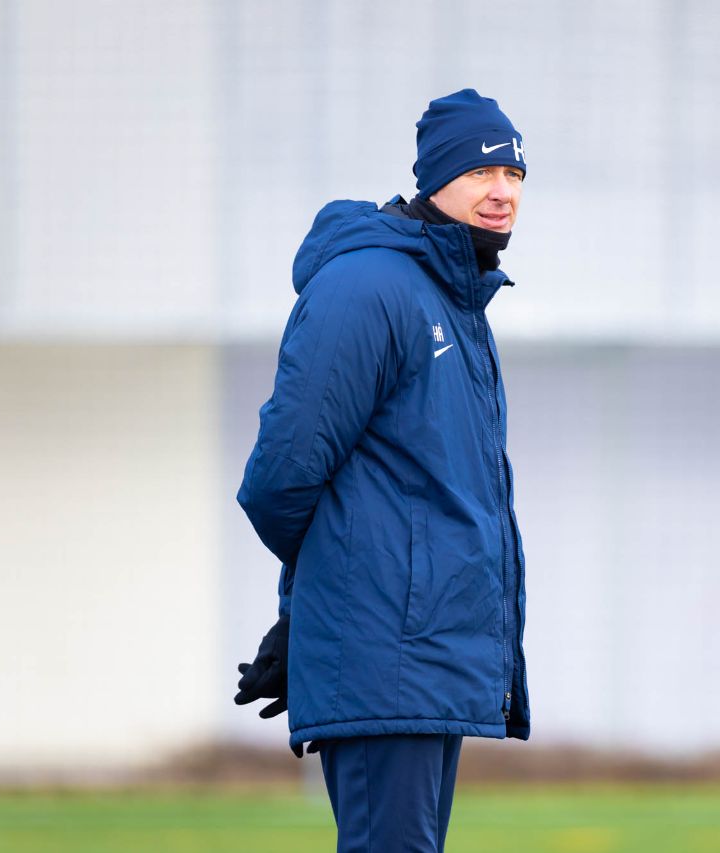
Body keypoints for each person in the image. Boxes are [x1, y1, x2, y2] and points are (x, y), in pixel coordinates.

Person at [232, 88, 531, 852]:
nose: (501, 190)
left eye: (514, 173)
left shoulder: (455, 302)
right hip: (388, 656)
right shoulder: (369, 288)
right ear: (434, 177)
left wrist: (304, 611)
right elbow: (283, 476)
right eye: (479, 171)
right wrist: (325, 612)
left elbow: (382, 493)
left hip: (422, 660)